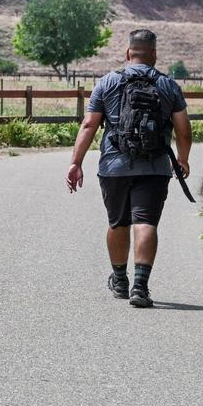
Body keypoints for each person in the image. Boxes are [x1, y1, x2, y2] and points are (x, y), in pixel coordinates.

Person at [65, 29, 192, 308]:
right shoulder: (168, 85)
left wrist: (76, 162)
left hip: (114, 165)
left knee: (118, 223)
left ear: (127, 53)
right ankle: (140, 286)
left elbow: (88, 125)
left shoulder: (107, 82)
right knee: (145, 222)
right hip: (155, 166)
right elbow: (183, 130)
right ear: (154, 54)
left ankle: (120, 280)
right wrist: (182, 159)